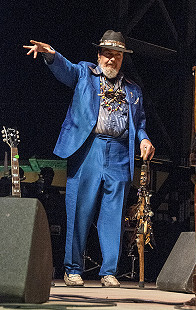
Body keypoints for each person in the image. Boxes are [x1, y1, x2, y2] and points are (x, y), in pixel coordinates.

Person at [23, 30, 155, 287]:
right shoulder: (85, 73)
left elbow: (138, 124)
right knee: (79, 210)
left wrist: (144, 139)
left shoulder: (133, 90)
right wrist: (51, 55)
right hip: (89, 149)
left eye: (116, 56)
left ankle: (109, 272)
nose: (111, 60)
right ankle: (72, 268)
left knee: (113, 214)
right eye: (107, 54)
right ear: (99, 55)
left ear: (122, 59)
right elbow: (66, 70)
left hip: (119, 152)